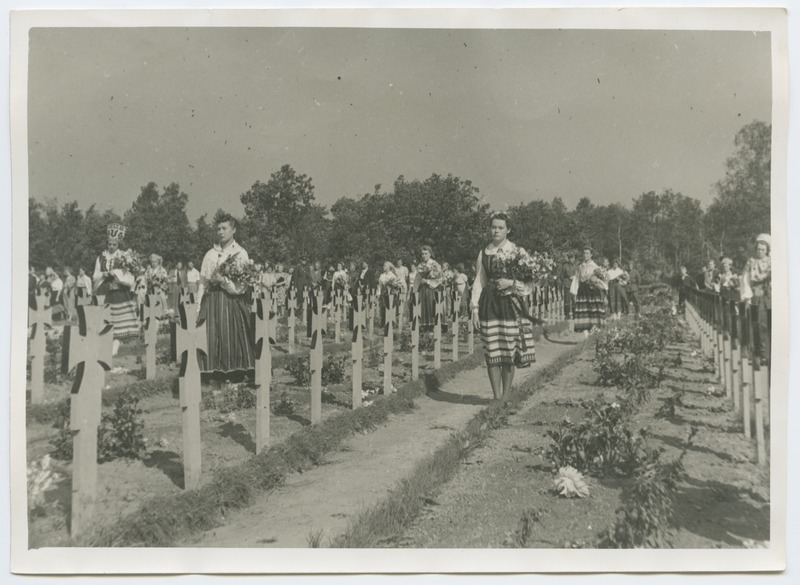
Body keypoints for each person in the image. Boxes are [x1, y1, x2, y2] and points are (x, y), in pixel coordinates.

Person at [470, 213, 536, 401]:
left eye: (500, 227)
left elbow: (529, 282)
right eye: (493, 227)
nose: (496, 231)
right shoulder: (484, 252)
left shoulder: (517, 251)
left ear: (508, 230)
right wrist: (475, 309)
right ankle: (496, 397)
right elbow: (479, 281)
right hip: (489, 304)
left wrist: (511, 282)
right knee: (492, 349)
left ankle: (505, 396)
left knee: (508, 350)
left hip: (511, 304)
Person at [196, 213, 255, 375]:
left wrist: (223, 281)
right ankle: (211, 373)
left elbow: (241, 288)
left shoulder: (241, 253)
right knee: (211, 336)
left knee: (231, 336)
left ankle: (234, 374)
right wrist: (198, 307)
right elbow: (203, 283)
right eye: (218, 229)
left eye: (224, 228)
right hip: (212, 301)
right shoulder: (210, 254)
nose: (220, 232)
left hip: (231, 302)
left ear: (233, 230)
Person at [92, 224, 140, 356]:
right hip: (104, 292)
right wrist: (104, 274)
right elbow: (95, 276)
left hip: (119, 293)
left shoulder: (124, 257)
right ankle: (103, 348)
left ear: (118, 244)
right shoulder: (101, 258)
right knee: (104, 320)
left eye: (114, 244)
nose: (111, 246)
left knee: (118, 322)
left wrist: (116, 273)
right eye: (109, 244)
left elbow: (129, 277)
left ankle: (114, 351)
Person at [741, 234, 771, 363]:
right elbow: (744, 279)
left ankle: (766, 353)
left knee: (765, 325)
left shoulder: (771, 262)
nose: (760, 252)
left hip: (767, 296)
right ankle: (756, 353)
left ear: (767, 250)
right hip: (754, 296)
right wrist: (747, 296)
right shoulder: (751, 261)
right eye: (758, 249)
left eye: (763, 250)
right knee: (754, 324)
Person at [570, 246, 607, 336]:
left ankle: (593, 333)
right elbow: (576, 280)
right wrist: (574, 293)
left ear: (591, 255)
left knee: (593, 312)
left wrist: (597, 281)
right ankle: (586, 334)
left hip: (593, 292)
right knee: (584, 313)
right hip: (582, 292)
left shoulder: (596, 267)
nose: (585, 255)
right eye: (584, 253)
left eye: (587, 253)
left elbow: (602, 281)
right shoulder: (580, 267)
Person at [415, 246, 442, 330]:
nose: (424, 256)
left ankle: (432, 326)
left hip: (432, 289)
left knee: (431, 307)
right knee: (423, 307)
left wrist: (427, 281)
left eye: (426, 254)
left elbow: (439, 279)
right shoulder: (420, 265)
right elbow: (417, 278)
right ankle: (425, 326)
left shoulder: (435, 264)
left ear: (430, 254)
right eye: (422, 254)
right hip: (423, 289)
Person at [559, 253, 577, 320]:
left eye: (574, 258)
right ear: (569, 259)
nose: (573, 260)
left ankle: (575, 315)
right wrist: (565, 281)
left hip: (574, 285)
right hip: (567, 285)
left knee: (574, 300)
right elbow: (561, 276)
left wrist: (574, 278)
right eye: (571, 258)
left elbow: (578, 275)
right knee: (567, 301)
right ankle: (567, 314)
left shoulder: (576, 266)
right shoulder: (565, 266)